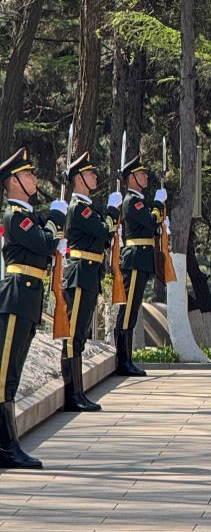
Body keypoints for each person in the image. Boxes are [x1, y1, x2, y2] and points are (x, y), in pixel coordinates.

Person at [0, 148, 67, 468]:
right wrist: (56, 220)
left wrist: (53, 223)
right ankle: (6, 447)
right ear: (14, 181)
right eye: (28, 174)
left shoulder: (29, 215)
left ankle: (8, 445)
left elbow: (46, 242)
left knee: (12, 374)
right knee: (4, 376)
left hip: (28, 298)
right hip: (15, 297)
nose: (34, 178)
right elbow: (43, 243)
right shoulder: (15, 216)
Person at [61, 153, 121, 411]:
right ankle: (72, 395)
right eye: (89, 173)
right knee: (73, 337)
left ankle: (78, 392)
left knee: (80, 336)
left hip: (89, 273)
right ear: (78, 179)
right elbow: (102, 230)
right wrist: (111, 211)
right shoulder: (79, 207)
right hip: (79, 274)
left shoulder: (87, 208)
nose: (95, 176)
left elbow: (104, 238)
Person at [117, 154, 166, 377]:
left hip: (141, 259)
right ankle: (123, 360)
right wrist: (157, 204)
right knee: (128, 311)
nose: (146, 176)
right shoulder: (132, 201)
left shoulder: (138, 201)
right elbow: (150, 220)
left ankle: (126, 359)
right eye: (142, 173)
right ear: (132, 177)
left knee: (132, 310)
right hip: (135, 259)